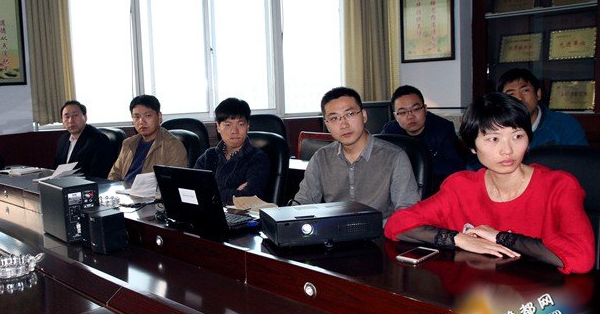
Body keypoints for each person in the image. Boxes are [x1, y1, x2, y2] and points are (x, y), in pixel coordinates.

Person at [384, 92, 595, 274]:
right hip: (475, 297)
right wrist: (459, 239)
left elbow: (581, 258)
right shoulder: (460, 187)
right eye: (493, 139)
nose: (507, 150)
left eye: (517, 136)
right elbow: (397, 224)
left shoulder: (559, 186)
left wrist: (500, 237)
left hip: (538, 300)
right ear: (472, 146)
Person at [293, 87, 420, 220]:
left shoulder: (394, 157)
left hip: (381, 232)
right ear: (327, 125)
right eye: (334, 118)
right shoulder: (321, 158)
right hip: (335, 231)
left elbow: (407, 213)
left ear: (364, 116)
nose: (344, 125)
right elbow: (303, 203)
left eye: (350, 114)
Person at [382, 85, 464, 187]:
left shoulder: (443, 128)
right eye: (402, 112)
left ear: (425, 109)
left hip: (434, 185)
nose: (410, 116)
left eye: (416, 109)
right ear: (395, 116)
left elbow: (455, 167)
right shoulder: (390, 131)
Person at [194, 97, 269, 205]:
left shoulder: (258, 159)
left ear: (248, 126)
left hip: (241, 215)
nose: (234, 131)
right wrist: (234, 194)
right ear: (218, 127)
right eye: (228, 125)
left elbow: (249, 197)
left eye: (240, 124)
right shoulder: (208, 156)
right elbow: (193, 189)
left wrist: (209, 192)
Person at [497, 68, 588, 149]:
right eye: (511, 94)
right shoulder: (495, 129)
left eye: (525, 90)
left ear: (538, 94)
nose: (519, 98)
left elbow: (579, 161)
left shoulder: (564, 125)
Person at [108, 95, 187, 186]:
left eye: (148, 116)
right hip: (124, 192)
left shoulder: (173, 145)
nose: (141, 121)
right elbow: (114, 174)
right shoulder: (128, 143)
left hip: (151, 194)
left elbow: (174, 183)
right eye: (137, 117)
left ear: (159, 117)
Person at [55, 100, 114, 179]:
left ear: (85, 117)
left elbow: (99, 173)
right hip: (63, 183)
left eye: (75, 115)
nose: (71, 120)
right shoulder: (63, 139)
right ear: (62, 120)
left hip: (87, 184)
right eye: (67, 117)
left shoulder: (98, 139)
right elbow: (56, 168)